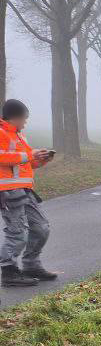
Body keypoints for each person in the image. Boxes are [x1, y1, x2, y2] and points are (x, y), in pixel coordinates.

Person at [0, 99, 56, 290]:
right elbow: (2, 157)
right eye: (23, 118)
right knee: (17, 233)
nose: (25, 122)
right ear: (14, 117)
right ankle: (8, 272)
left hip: (25, 189)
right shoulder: (1, 133)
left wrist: (41, 159)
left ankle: (31, 265)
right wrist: (30, 155)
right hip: (7, 192)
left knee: (41, 228)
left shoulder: (19, 136)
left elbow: (25, 163)